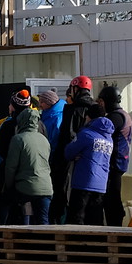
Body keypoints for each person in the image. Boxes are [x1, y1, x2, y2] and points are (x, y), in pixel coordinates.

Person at [0, 94, 53, 225]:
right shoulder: (44, 138)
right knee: (43, 221)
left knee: (9, 206)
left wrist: (9, 185)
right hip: (46, 186)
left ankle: (1, 232)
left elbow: (10, 165)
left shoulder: (18, 138)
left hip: (24, 184)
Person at [50, 75, 97, 222]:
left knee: (62, 192)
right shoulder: (94, 108)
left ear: (76, 88)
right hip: (89, 159)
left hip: (69, 158)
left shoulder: (74, 109)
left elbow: (68, 135)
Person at [61, 108, 114, 225]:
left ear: (90, 118)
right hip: (101, 184)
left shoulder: (86, 134)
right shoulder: (109, 138)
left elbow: (69, 152)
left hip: (84, 182)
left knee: (76, 219)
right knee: (96, 220)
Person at [97, 86, 132, 226]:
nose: (100, 104)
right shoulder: (123, 114)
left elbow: (101, 132)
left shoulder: (115, 117)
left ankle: (115, 227)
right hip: (119, 161)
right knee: (113, 198)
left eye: (101, 101)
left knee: (111, 200)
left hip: (113, 163)